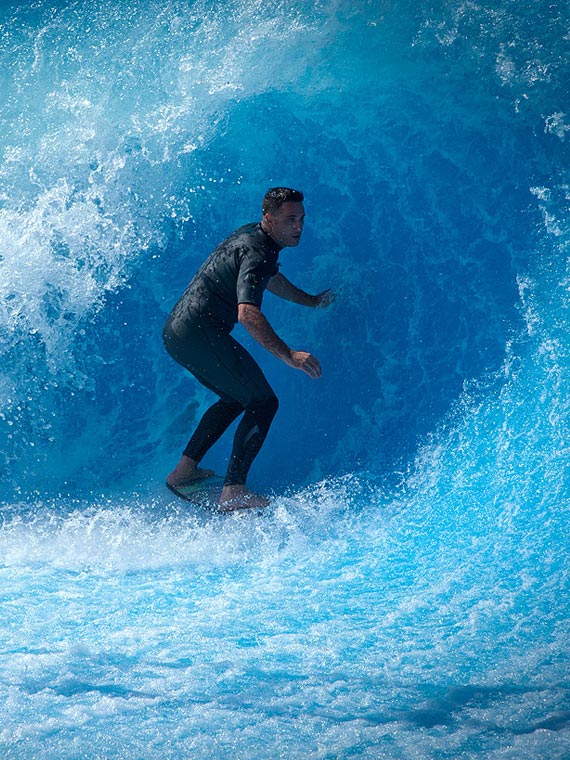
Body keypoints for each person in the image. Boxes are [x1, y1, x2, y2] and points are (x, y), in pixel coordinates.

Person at [162, 187, 334, 511]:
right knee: (263, 402)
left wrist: (309, 300)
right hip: (199, 333)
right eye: (289, 220)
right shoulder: (258, 252)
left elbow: (268, 279)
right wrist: (289, 355)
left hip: (178, 332)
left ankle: (183, 472)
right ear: (268, 219)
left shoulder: (254, 237)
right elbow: (247, 313)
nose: (298, 227)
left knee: (235, 397)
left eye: (301, 219)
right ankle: (233, 491)